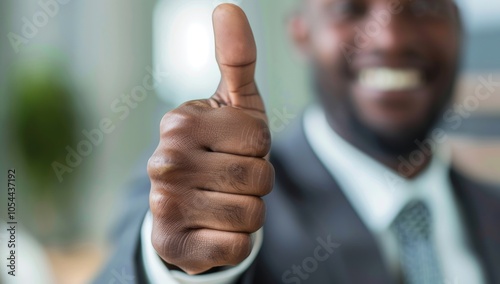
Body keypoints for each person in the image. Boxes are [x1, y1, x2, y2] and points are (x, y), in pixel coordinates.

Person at [94, 1, 500, 283]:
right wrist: (181, 269)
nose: (390, 39)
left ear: (458, 26)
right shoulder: (223, 197)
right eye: (350, 8)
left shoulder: (491, 208)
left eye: (425, 5)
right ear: (301, 33)